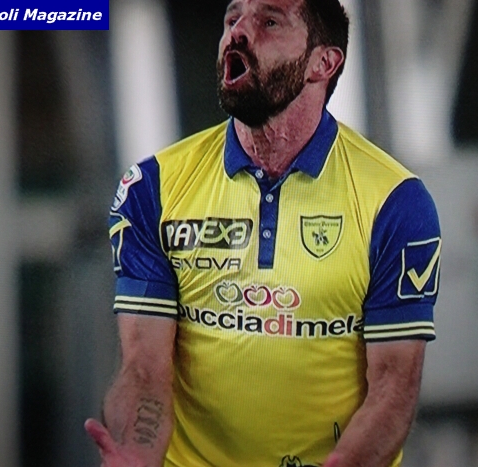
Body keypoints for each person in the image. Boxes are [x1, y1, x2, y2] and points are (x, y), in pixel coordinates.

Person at [85, 0, 441, 466]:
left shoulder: (395, 201)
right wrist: (135, 451)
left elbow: (394, 387)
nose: (238, 32)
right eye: (232, 18)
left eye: (269, 22)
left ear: (323, 62)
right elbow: (144, 369)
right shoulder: (153, 187)